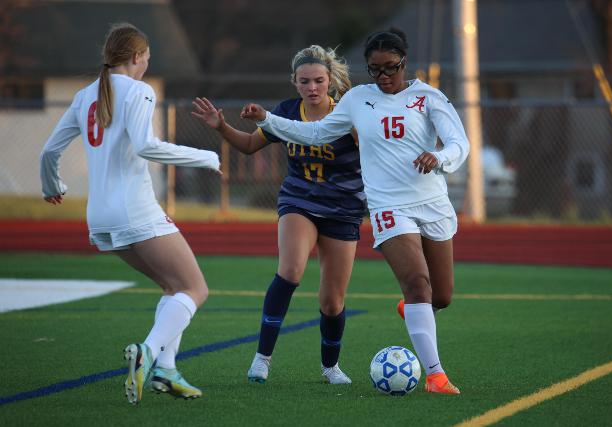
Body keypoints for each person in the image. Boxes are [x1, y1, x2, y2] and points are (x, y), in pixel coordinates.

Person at [240, 28, 469, 395]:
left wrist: (439, 157)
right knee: (416, 283)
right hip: (387, 206)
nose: (383, 77)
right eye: (375, 69)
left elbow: (460, 143)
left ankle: (414, 308)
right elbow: (314, 134)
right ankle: (436, 375)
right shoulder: (358, 100)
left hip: (431, 202)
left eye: (390, 68)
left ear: (403, 63)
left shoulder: (428, 97)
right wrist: (268, 119)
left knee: (440, 296)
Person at [39, 23, 222, 404]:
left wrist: (51, 186)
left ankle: (166, 372)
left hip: (100, 219)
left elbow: (48, 153)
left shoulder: (84, 95)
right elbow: (146, 146)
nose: (146, 66)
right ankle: (149, 352)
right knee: (196, 289)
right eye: (147, 59)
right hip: (134, 211)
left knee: (173, 289)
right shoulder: (140, 90)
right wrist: (206, 156)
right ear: (137, 57)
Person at [191, 45, 365, 384]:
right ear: (294, 83)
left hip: (344, 208)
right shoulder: (286, 111)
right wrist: (220, 126)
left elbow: (375, 150)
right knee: (290, 270)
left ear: (330, 81)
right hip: (299, 199)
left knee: (332, 302)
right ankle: (261, 359)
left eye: (318, 80)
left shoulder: (347, 113)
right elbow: (249, 145)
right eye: (304, 81)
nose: (312, 88)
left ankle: (330, 367)